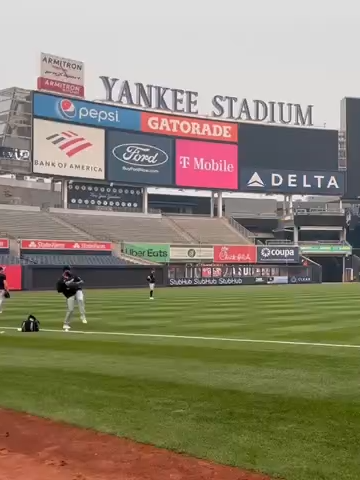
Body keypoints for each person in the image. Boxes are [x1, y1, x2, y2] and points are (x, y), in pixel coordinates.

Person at [56, 266, 87, 331]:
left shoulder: (73, 276)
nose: (68, 271)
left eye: (68, 270)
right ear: (63, 271)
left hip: (77, 290)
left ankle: (82, 315)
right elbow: (59, 290)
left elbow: (82, 282)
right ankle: (66, 324)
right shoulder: (60, 280)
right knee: (70, 310)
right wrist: (66, 285)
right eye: (66, 270)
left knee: (80, 299)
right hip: (69, 294)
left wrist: (76, 283)